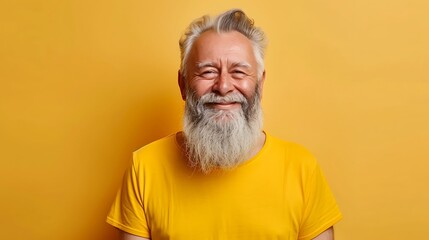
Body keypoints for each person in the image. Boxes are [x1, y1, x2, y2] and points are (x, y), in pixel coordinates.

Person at [106, 9, 342, 240]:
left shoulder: (302, 169)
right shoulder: (144, 167)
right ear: (183, 84)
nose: (224, 86)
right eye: (208, 72)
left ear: (260, 84)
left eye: (239, 72)